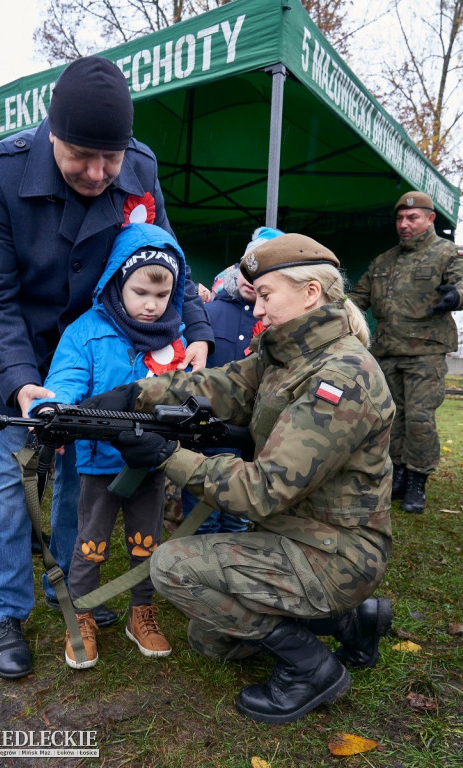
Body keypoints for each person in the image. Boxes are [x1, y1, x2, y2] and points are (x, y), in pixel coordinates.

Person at [0, 55, 213, 680]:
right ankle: (5, 609)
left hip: (102, 348)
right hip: (19, 346)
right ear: (52, 133)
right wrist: (23, 383)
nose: (100, 173)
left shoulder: (141, 168)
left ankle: (72, 590)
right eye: (82, 156)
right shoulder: (0, 170)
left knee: (86, 470)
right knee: (8, 471)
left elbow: (166, 251)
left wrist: (201, 331)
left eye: (112, 157)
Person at [91, 233, 395, 725]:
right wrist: (134, 395)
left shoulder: (341, 376)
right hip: (294, 537)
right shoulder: (288, 353)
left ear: (311, 293)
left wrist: (168, 454)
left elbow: (264, 489)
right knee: (211, 640)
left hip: (335, 552)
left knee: (173, 567)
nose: (256, 311)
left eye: (266, 296)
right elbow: (222, 384)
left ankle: (311, 667)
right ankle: (349, 622)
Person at [30, 222, 187, 668]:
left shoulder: (175, 338)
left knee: (147, 543)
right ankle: (80, 617)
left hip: (152, 464)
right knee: (89, 543)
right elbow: (65, 378)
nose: (153, 306)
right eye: (141, 292)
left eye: (162, 295)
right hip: (98, 466)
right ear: (118, 281)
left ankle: (142, 613)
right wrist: (53, 409)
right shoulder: (86, 332)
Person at [349, 191, 463, 514]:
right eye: (400, 218)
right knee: (392, 416)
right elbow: (356, 298)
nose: (404, 224)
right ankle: (397, 473)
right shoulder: (383, 261)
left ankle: (417, 481)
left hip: (426, 353)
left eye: (412, 218)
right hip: (388, 351)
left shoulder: (447, 254)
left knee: (419, 418)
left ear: (430, 219)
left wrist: (455, 296)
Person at [182, 227, 285, 534]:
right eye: (246, 268)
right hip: (207, 431)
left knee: (238, 515)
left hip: (252, 436)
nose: (249, 280)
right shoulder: (206, 312)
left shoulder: (276, 320)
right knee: (202, 511)